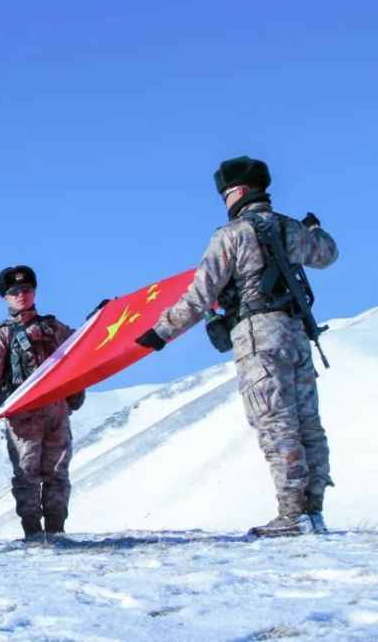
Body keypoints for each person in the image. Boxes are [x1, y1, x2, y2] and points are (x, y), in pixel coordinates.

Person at [136, 156, 338, 537]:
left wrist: (160, 333)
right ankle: (313, 512)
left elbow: (200, 295)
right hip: (296, 335)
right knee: (308, 425)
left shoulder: (231, 235)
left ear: (239, 192)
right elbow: (327, 253)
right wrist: (315, 229)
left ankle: (292, 515)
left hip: (258, 338)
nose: (225, 200)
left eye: (226, 193)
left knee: (276, 423)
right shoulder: (290, 228)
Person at [0, 265, 86, 539]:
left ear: (34, 292)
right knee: (26, 474)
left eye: (26, 289)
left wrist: (101, 317)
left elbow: (83, 343)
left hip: (57, 410)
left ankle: (56, 530)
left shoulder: (54, 328)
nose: (21, 295)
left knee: (57, 471)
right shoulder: (2, 334)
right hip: (23, 414)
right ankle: (33, 533)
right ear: (5, 298)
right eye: (14, 291)